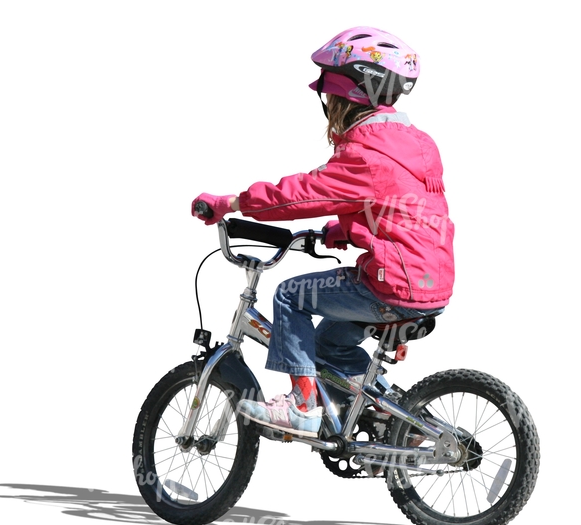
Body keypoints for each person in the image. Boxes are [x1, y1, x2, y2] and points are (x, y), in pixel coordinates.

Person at [191, 26, 455, 438]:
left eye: (331, 94)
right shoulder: (415, 145)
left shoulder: (368, 151)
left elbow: (298, 196)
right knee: (329, 345)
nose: (328, 103)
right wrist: (340, 232)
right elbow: (399, 210)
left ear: (353, 95)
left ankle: (302, 406)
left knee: (289, 295)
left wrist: (232, 203)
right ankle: (396, 418)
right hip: (428, 280)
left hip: (392, 285)